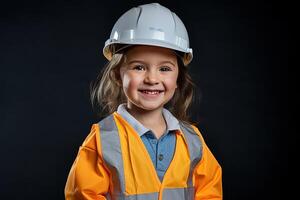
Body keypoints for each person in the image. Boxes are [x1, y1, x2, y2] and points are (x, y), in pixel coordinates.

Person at [65, 3, 222, 200]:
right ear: (117, 75)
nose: (152, 79)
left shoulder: (192, 140)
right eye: (139, 67)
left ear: (178, 80)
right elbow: (83, 195)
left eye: (164, 69)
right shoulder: (104, 139)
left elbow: (209, 191)